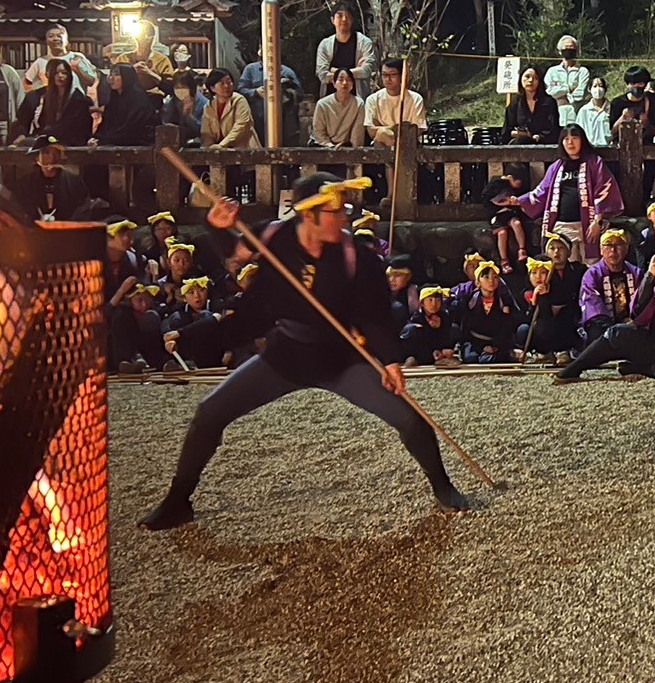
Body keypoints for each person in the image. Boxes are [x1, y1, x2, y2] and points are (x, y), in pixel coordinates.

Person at [139, 173, 472, 530]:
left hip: (340, 357)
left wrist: (390, 361)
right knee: (208, 413)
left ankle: (443, 487)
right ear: (309, 214)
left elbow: (374, 315)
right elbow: (235, 254)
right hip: (286, 353)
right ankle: (178, 501)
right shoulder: (275, 235)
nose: (343, 218)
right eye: (335, 211)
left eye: (344, 210)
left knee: (409, 418)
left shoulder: (355, 257)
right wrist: (217, 226)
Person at [554, 249, 655, 382]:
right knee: (617, 332)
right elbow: (638, 314)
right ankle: (575, 368)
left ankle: (642, 369)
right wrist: (650, 276)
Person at [510, 124, 624, 262]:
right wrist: (520, 200)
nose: (570, 143)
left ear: (582, 140)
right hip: (562, 226)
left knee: (590, 265)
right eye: (566, 139)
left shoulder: (594, 163)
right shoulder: (556, 167)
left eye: (575, 138)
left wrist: (597, 221)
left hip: (587, 226)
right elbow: (542, 191)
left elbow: (604, 189)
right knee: (564, 266)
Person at [578, 229, 644, 347]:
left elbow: (643, 301)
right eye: (608, 245)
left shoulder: (636, 273)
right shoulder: (592, 274)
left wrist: (633, 320)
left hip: (630, 322)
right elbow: (592, 303)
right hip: (603, 323)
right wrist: (611, 326)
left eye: (618, 245)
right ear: (601, 249)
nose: (613, 250)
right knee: (598, 333)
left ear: (626, 249)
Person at [14, 58, 95, 146]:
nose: (60, 76)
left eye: (64, 73)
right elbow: (22, 120)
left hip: (70, 142)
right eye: (56, 73)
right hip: (43, 140)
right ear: (47, 75)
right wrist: (21, 134)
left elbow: (82, 127)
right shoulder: (36, 96)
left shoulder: (79, 99)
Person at [518, 256, 582, 363]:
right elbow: (529, 320)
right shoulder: (526, 294)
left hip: (559, 334)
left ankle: (562, 352)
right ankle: (541, 353)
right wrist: (535, 301)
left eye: (543, 272)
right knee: (523, 329)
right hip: (540, 336)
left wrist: (544, 299)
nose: (538, 277)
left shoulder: (560, 293)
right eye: (534, 273)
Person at [239, 45, 306, 145]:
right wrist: (256, 92)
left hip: (283, 121)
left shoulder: (287, 71)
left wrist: (285, 91)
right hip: (257, 120)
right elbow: (241, 90)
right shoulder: (251, 69)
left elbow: (299, 94)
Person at [13, 139, 93, 222]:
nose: (52, 158)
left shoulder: (73, 182)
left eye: (56, 153)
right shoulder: (25, 183)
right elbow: (18, 209)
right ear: (37, 157)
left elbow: (83, 207)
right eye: (46, 153)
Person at [458, 262, 518, 364]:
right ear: (478, 282)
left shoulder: (503, 300)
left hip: (495, 342)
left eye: (495, 277)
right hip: (474, 341)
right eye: (486, 277)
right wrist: (481, 346)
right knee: (471, 358)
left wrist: (496, 345)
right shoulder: (470, 300)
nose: (491, 281)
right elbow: (465, 326)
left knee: (492, 359)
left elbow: (506, 327)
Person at [163, 278, 227, 369]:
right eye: (191, 292)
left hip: (215, 353)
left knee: (205, 315)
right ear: (184, 298)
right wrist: (170, 340)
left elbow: (213, 320)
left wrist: (179, 333)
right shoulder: (180, 312)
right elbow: (166, 326)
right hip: (191, 354)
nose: (197, 296)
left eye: (201, 290)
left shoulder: (216, 304)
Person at [314, 5, 378, 96]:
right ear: (332, 20)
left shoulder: (364, 42)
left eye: (348, 16)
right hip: (330, 98)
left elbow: (366, 71)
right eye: (340, 16)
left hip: (357, 98)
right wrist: (355, 72)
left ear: (352, 20)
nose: (344, 19)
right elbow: (322, 75)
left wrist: (332, 70)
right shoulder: (325, 45)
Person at [364, 58, 426, 148]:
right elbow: (371, 131)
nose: (388, 79)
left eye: (392, 74)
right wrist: (399, 128)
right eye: (384, 75)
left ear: (401, 76)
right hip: (382, 145)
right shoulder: (373, 99)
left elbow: (417, 130)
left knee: (382, 132)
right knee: (382, 134)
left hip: (408, 144)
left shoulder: (415, 99)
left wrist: (384, 127)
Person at [93, 63, 160, 147]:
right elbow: (107, 122)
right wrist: (96, 137)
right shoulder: (115, 97)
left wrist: (104, 140)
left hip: (140, 142)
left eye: (116, 75)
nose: (111, 78)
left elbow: (131, 128)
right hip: (118, 140)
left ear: (127, 77)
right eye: (110, 74)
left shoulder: (138, 97)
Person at [23, 25, 98, 97]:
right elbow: (26, 82)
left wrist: (77, 69)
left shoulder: (77, 57)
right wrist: (36, 96)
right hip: (52, 103)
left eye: (59, 36)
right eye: (51, 36)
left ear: (66, 40)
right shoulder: (41, 61)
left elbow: (91, 82)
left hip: (77, 101)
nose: (55, 39)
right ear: (46, 41)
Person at [484, 162, 532, 271]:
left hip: (511, 213)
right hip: (497, 214)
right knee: (502, 233)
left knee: (517, 224)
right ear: (510, 178)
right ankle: (504, 260)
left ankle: (522, 250)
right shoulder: (495, 185)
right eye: (517, 181)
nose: (520, 184)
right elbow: (490, 200)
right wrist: (506, 202)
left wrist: (517, 203)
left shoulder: (520, 188)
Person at [109, 20, 175, 97]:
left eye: (146, 35)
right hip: (128, 98)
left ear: (152, 38)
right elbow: (112, 82)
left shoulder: (162, 60)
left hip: (153, 98)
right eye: (140, 35)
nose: (142, 38)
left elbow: (169, 87)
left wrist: (149, 73)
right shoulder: (123, 58)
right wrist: (131, 70)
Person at [200, 68, 260, 148]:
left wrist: (221, 145)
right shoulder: (209, 106)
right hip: (220, 151)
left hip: (244, 149)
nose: (226, 86)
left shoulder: (239, 100)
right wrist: (208, 148)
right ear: (212, 88)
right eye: (222, 83)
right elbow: (206, 133)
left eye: (229, 82)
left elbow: (241, 126)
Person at [400, 286, 459, 368]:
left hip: (438, 351)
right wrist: (429, 328)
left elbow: (445, 338)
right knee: (411, 329)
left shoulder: (444, 316)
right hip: (422, 351)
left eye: (438, 300)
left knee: (454, 328)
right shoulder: (417, 317)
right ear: (422, 303)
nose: (434, 304)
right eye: (430, 300)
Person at [502, 65, 560, 145]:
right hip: (519, 145)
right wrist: (519, 134)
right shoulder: (515, 103)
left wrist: (539, 137)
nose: (530, 80)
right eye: (527, 77)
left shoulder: (549, 102)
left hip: (543, 145)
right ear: (521, 79)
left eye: (535, 78)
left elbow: (554, 130)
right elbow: (506, 132)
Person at [311, 67, 367, 147]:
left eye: (348, 80)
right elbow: (318, 132)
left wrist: (353, 149)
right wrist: (330, 146)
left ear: (352, 84)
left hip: (346, 146)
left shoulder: (358, 103)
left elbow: (357, 133)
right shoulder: (322, 104)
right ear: (334, 83)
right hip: (322, 144)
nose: (344, 83)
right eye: (340, 80)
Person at [544, 35, 590, 128]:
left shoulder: (583, 71)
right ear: (560, 51)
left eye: (571, 48)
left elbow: (580, 94)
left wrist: (561, 95)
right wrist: (568, 89)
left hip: (576, 113)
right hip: (555, 113)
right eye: (566, 47)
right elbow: (550, 92)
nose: (569, 50)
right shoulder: (552, 71)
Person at [161, 69, 209, 146]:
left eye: (183, 87)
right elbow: (165, 121)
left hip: (197, 142)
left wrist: (189, 116)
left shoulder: (204, 103)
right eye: (177, 87)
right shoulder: (171, 102)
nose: (180, 90)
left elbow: (204, 130)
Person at [574, 75, 613, 147]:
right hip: (589, 148)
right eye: (595, 86)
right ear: (589, 89)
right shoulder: (584, 110)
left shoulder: (612, 108)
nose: (598, 89)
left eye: (601, 86)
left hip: (608, 148)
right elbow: (578, 131)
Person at [386, 255, 418, 332]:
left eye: (397, 276)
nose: (392, 280)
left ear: (408, 276)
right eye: (390, 275)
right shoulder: (382, 291)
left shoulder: (413, 293)